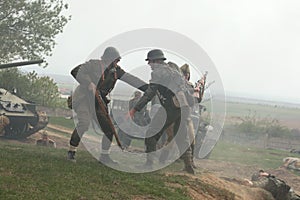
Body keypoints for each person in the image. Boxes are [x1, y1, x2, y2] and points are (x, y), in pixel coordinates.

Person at [67, 46, 148, 164]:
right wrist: (88, 83)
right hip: (84, 99)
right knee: (84, 123)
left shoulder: (116, 71)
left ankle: (104, 157)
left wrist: (149, 88)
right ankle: (71, 151)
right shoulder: (93, 64)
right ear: (108, 59)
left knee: (109, 129)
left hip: (99, 101)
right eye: (116, 60)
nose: (117, 63)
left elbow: (131, 79)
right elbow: (75, 71)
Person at [128, 49, 195, 174]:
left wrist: (135, 108)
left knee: (151, 134)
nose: (149, 65)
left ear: (156, 61)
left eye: (150, 62)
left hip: (170, 107)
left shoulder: (158, 73)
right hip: (183, 106)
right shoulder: (174, 71)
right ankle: (189, 165)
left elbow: (150, 93)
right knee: (181, 136)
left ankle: (149, 165)